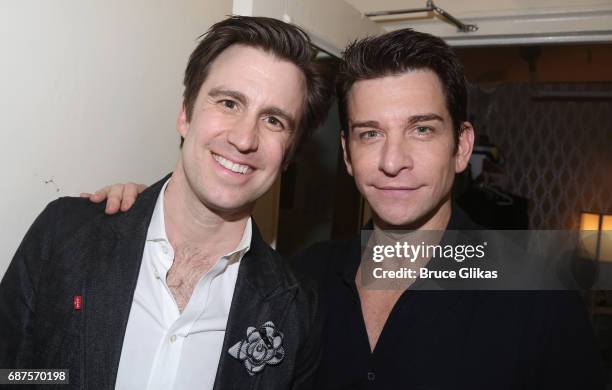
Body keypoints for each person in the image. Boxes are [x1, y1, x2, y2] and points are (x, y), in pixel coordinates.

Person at [83, 28, 604, 389]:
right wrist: (140, 216)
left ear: (462, 147)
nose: (393, 161)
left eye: (421, 129)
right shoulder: (300, 279)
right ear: (349, 156)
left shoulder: (537, 290)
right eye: (370, 134)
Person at [0, 16, 332, 390]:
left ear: (287, 155)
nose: (243, 139)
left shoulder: (298, 311)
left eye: (273, 120)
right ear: (186, 114)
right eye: (228, 102)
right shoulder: (66, 233)